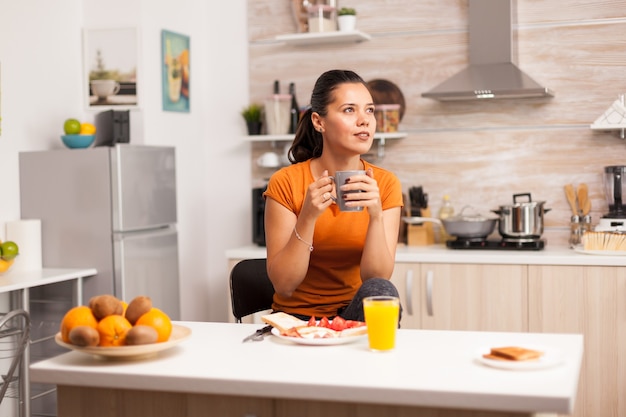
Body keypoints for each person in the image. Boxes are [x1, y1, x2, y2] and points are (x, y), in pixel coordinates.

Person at [263, 69, 404, 323]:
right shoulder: (286, 182)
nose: (364, 120)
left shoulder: (385, 184)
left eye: (369, 110)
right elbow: (284, 286)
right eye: (350, 110)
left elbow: (376, 279)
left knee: (381, 292)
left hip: (352, 318)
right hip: (297, 320)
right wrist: (307, 217)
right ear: (319, 121)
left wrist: (376, 216)